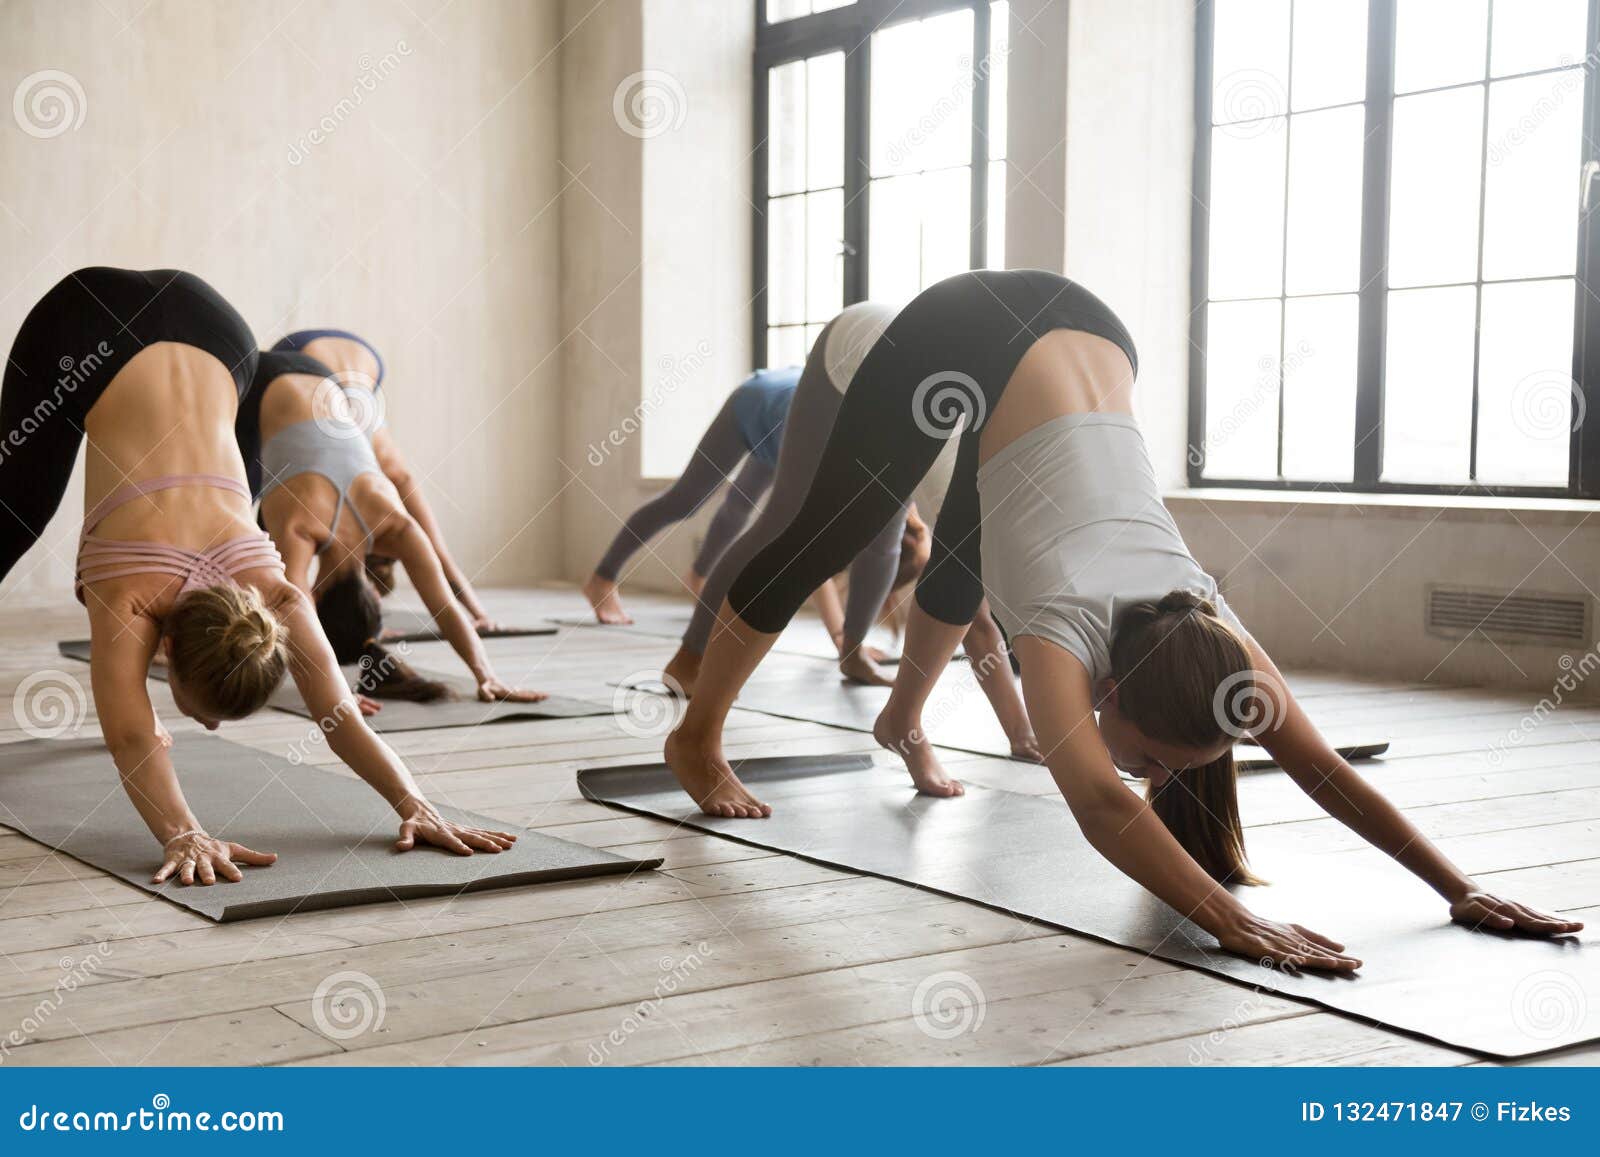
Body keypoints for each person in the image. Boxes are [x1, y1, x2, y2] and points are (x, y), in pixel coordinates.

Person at [662, 268, 1580, 969]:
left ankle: (902, 719)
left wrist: (1460, 886)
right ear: (1113, 689)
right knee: (831, 526)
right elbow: (1097, 802)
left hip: (1098, 334)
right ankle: (696, 737)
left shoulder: (1209, 627)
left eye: (1152, 770)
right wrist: (1234, 919)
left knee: (975, 553)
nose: (1137, 775)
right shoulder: (1062, 630)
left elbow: (1321, 769)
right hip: (964, 331)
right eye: (1146, 758)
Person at [0, 268, 516, 885]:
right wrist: (182, 832)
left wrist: (417, 805)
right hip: (89, 325)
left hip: (216, 321)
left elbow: (339, 715)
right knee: (16, 511)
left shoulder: (276, 594)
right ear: (166, 647)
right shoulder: (130, 593)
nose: (207, 726)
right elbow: (134, 737)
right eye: (204, 714)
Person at [663, 301, 1040, 754]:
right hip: (850, 350)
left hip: (915, 387)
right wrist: (1022, 732)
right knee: (784, 521)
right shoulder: (957, 477)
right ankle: (689, 656)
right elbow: (975, 619)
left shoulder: (985, 475)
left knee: (883, 541)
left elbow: (973, 611)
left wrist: (1021, 734)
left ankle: (853, 652)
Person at [237, 349, 544, 705]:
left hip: (323, 378)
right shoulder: (302, 531)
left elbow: (444, 606)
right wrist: (485, 676)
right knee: (236, 504)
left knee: (248, 508)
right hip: (266, 384)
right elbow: (295, 610)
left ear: (371, 592)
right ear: (320, 598)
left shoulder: (395, 527)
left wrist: (486, 674)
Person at [268, 328, 502, 632]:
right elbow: (440, 556)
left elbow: (440, 556)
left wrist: (479, 614)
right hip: (306, 363)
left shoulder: (390, 478)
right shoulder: (386, 483)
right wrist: (477, 615)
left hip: (363, 362)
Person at [582, 366, 799, 625]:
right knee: (684, 501)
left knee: (741, 504)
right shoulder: (809, 430)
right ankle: (602, 578)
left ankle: (699, 577)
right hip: (753, 402)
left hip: (781, 417)